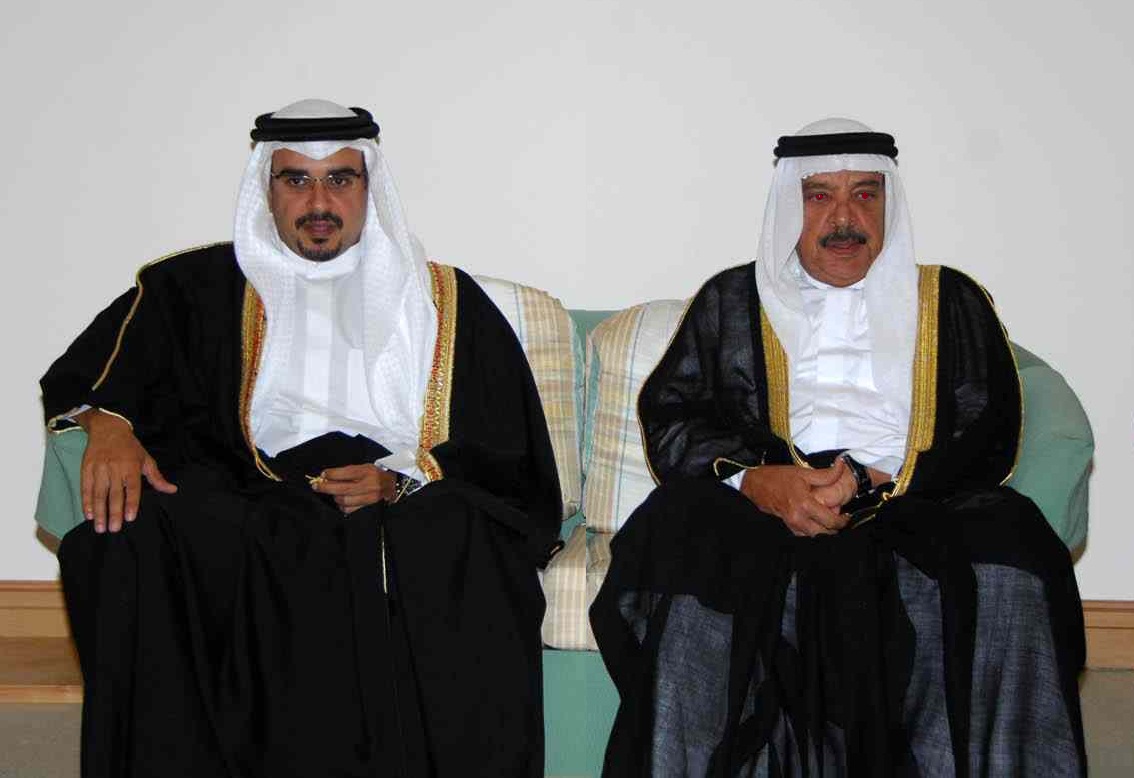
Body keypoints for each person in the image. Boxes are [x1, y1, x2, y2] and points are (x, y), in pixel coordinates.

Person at [40, 99, 561, 778]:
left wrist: (401, 479)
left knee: (454, 540)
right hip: (247, 483)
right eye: (296, 181)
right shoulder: (191, 288)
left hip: (393, 489)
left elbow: (506, 446)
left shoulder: (444, 298)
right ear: (268, 188)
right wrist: (107, 422)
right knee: (121, 542)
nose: (319, 202)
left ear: (369, 186)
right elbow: (90, 374)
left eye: (340, 179)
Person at [590, 119, 1086, 776]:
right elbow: (675, 416)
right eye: (820, 196)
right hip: (765, 501)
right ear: (789, 206)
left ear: (887, 205)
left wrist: (877, 477)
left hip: (911, 498)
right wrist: (758, 480)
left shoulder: (950, 299)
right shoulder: (732, 299)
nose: (845, 219)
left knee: (1012, 547)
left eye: (865, 195)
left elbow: (986, 421)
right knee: (684, 535)